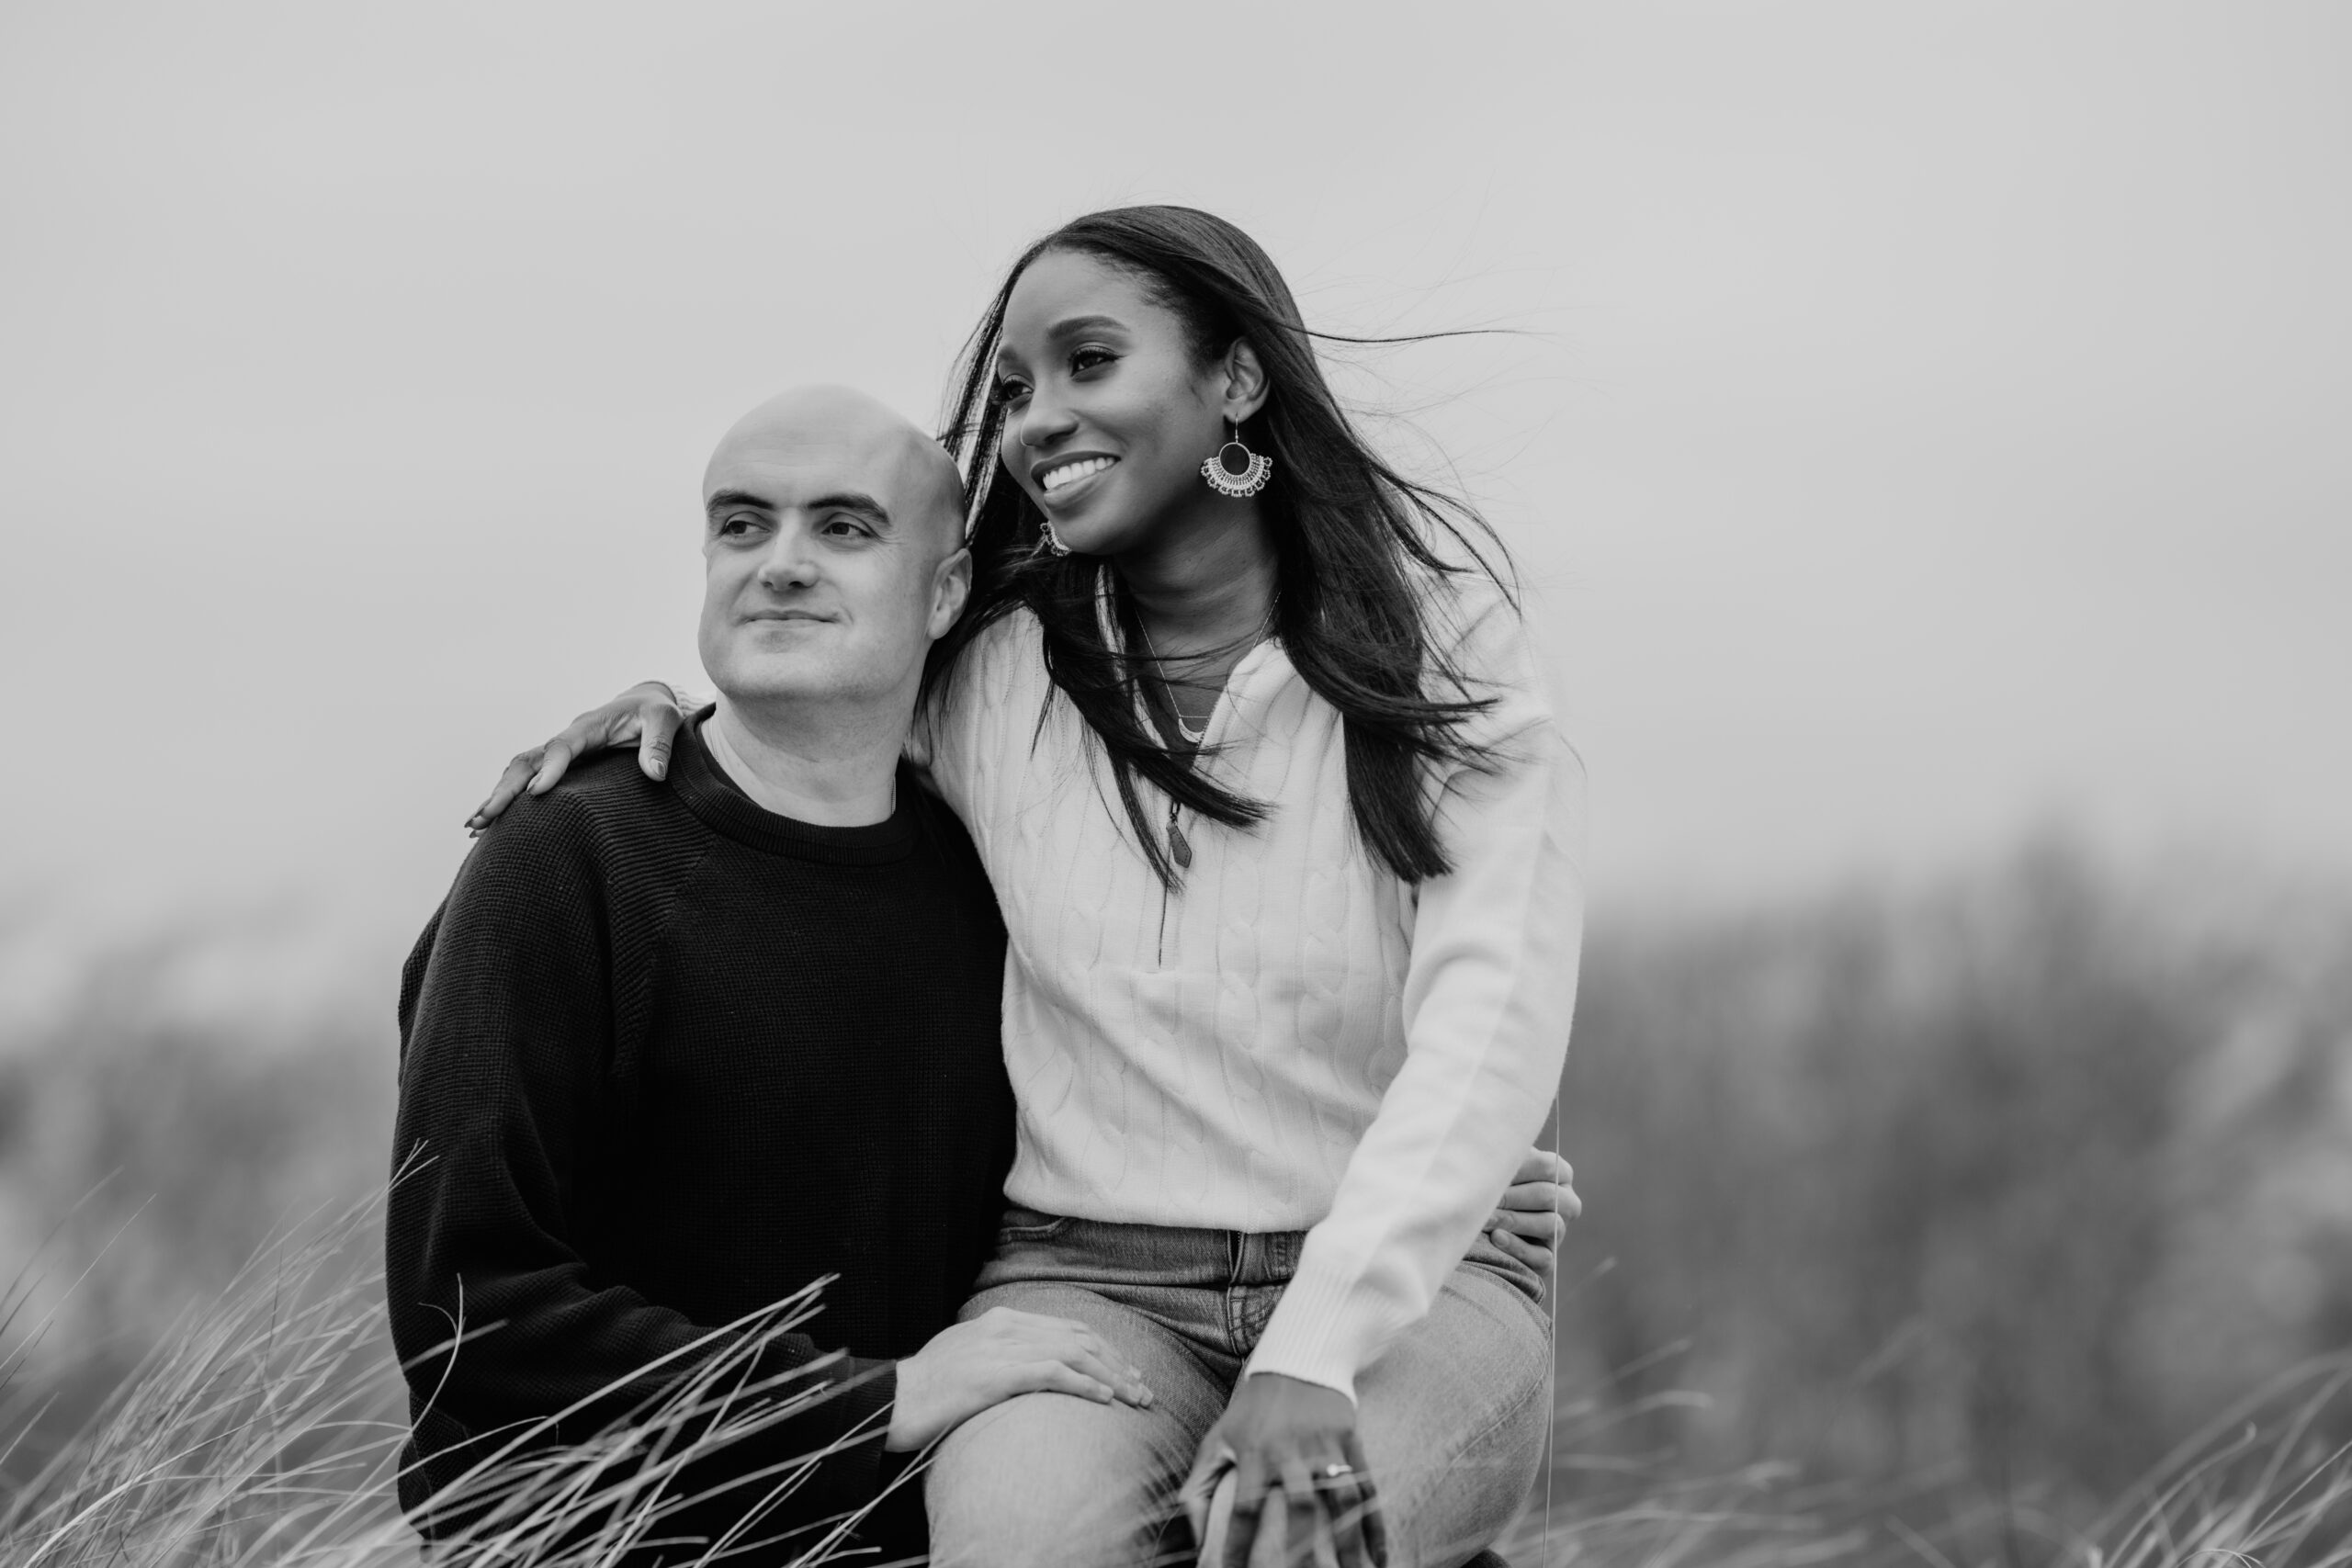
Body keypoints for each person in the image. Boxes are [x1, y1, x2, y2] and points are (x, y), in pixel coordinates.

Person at [471, 206, 1586, 1568]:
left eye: (1089, 361)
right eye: (1012, 389)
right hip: (1088, 1277)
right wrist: (663, 716)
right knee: (1014, 1541)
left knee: (1286, 1545)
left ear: (1238, 378)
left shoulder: (1440, 655)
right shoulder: (995, 668)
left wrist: (1324, 1335)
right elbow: (813, 710)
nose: (1038, 418)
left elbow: (1490, 1014)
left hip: (1412, 1287)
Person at [388, 386, 1161, 1563]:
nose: (781, 564)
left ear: (944, 592)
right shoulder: (563, 860)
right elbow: (471, 1315)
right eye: (743, 525)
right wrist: (870, 1401)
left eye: (844, 529)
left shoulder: (994, 877)